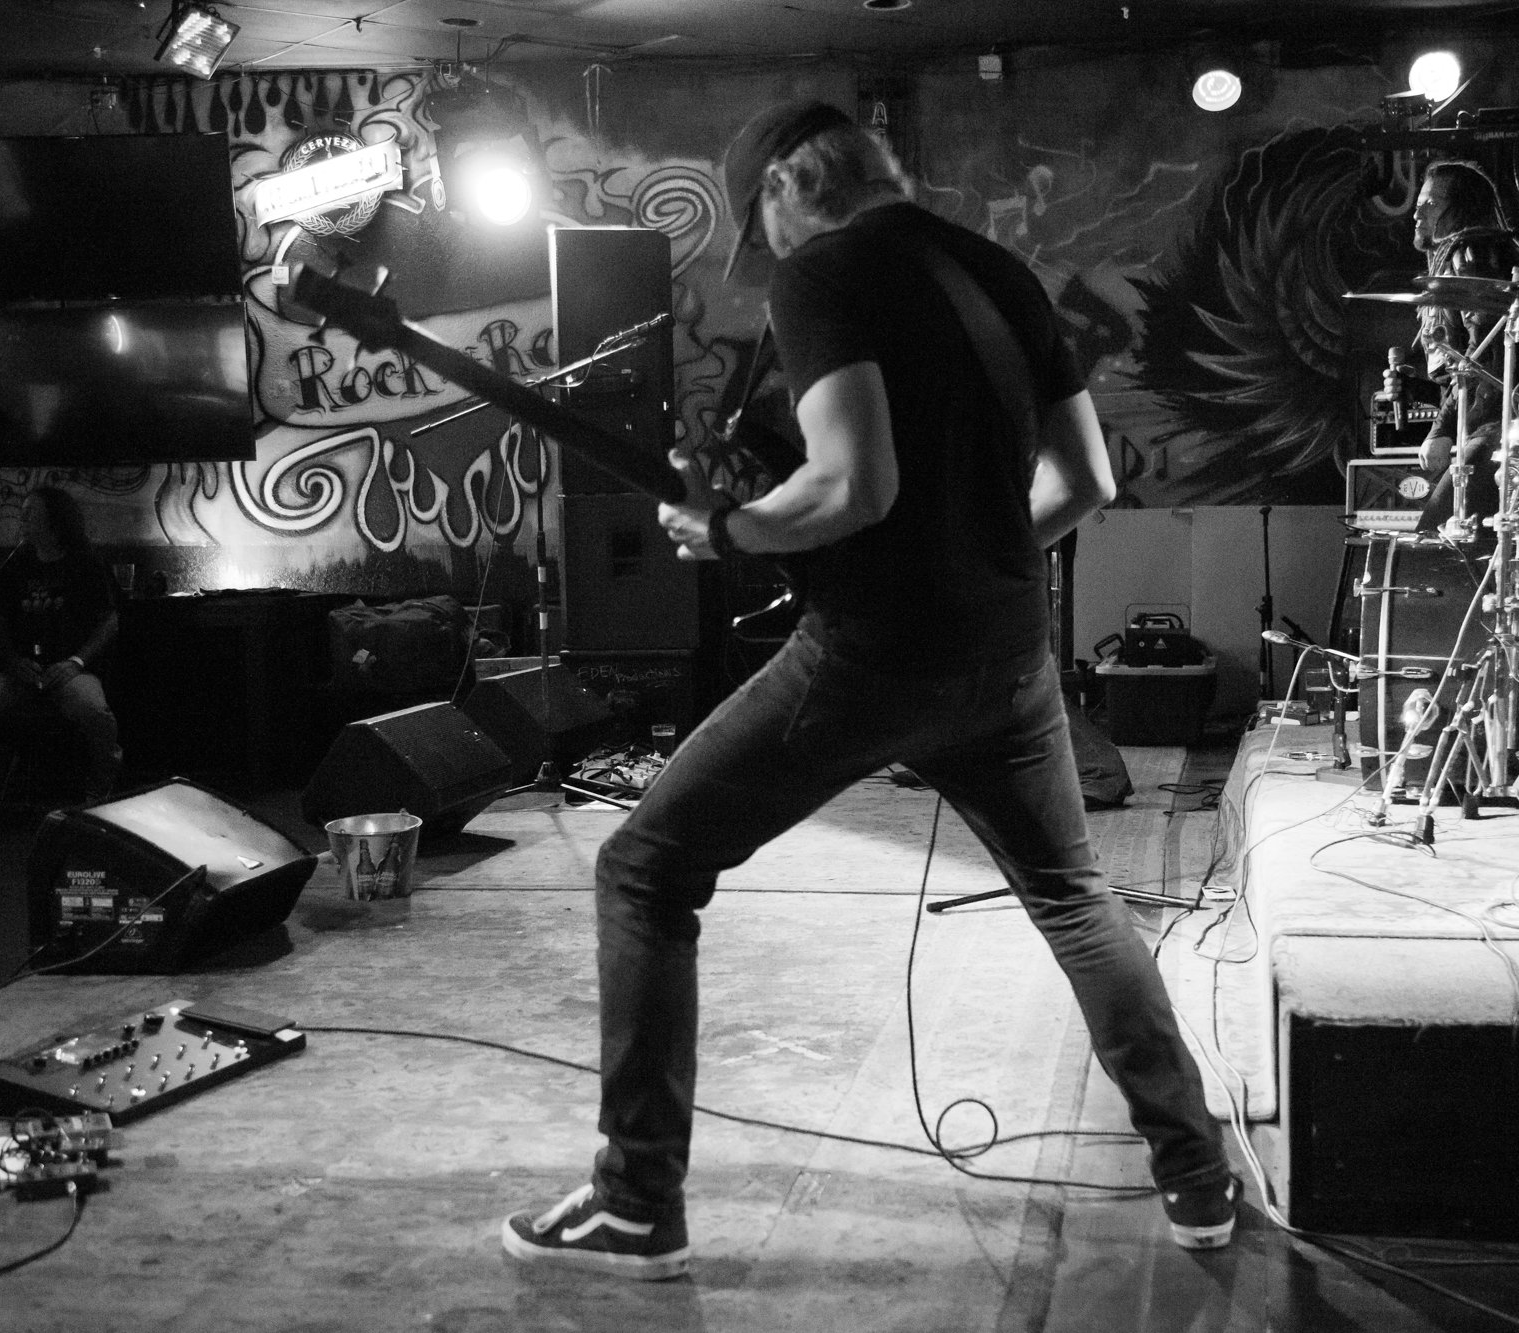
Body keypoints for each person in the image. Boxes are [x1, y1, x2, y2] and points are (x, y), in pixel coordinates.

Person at [500, 100, 1236, 1279]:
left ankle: (635, 1198)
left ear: (788, 189)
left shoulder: (824, 275)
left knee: (641, 868)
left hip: (872, 657)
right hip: (1007, 658)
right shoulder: (998, 272)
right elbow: (1087, 478)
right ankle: (1196, 1173)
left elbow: (854, 486)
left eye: (761, 229)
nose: (768, 256)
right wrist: (980, 563)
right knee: (1072, 898)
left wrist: (730, 527)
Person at [0, 486, 121, 808]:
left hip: (70, 670)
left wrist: (76, 662)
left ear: (54, 520)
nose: (22, 519)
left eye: (30, 513)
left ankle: (101, 785)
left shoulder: (87, 563)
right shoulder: (16, 564)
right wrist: (14, 662)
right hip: (23, 672)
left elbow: (109, 622)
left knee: (95, 713)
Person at [1403, 161, 1519, 535]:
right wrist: (1412, 387)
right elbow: (1460, 369)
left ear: (1460, 209)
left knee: (1435, 540)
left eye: (1429, 205)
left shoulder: (1471, 253)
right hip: (1490, 421)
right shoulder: (1462, 255)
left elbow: (1484, 357)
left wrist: (1441, 429)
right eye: (1418, 206)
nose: (1416, 214)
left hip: (1500, 426)